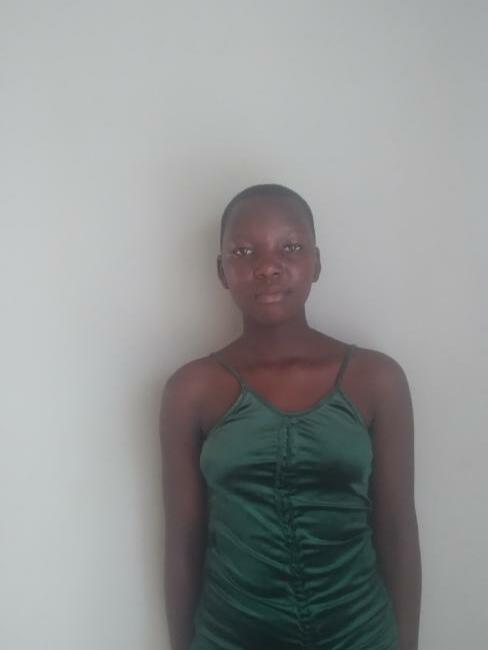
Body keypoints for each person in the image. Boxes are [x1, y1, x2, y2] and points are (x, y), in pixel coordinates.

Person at [160, 184, 422, 650]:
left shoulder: (377, 379)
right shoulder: (191, 389)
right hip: (230, 636)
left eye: (291, 247)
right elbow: (183, 540)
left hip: (360, 634)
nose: (268, 266)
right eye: (244, 251)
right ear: (221, 271)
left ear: (317, 263)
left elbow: (397, 526)